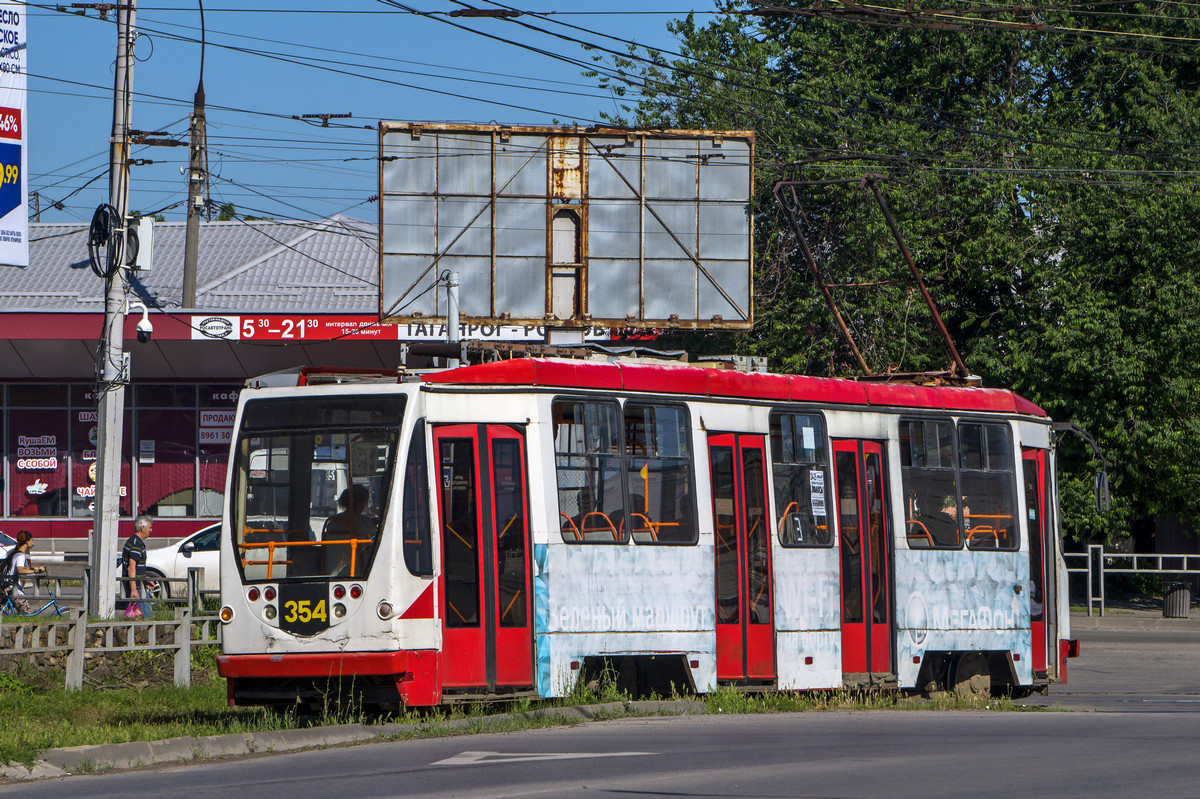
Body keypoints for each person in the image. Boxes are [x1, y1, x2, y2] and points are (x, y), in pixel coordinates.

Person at [322, 484, 376, 576]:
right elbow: (375, 544)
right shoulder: (365, 522)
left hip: (332, 568)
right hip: (360, 570)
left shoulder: (332, 521)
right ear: (360, 502)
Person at [3, 530, 46, 614]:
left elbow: (23, 568)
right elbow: (20, 570)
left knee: (19, 613)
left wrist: (34, 569)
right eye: (31, 540)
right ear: (26, 542)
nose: (32, 542)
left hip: (8, 587)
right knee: (26, 613)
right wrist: (36, 571)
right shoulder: (21, 555)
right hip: (14, 589)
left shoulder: (15, 553)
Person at [122, 515, 155, 618]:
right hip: (138, 588)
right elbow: (131, 567)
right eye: (149, 527)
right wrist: (134, 589)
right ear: (142, 528)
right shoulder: (136, 544)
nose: (151, 530)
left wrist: (145, 580)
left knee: (143, 618)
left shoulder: (133, 541)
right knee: (146, 619)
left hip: (140, 584)